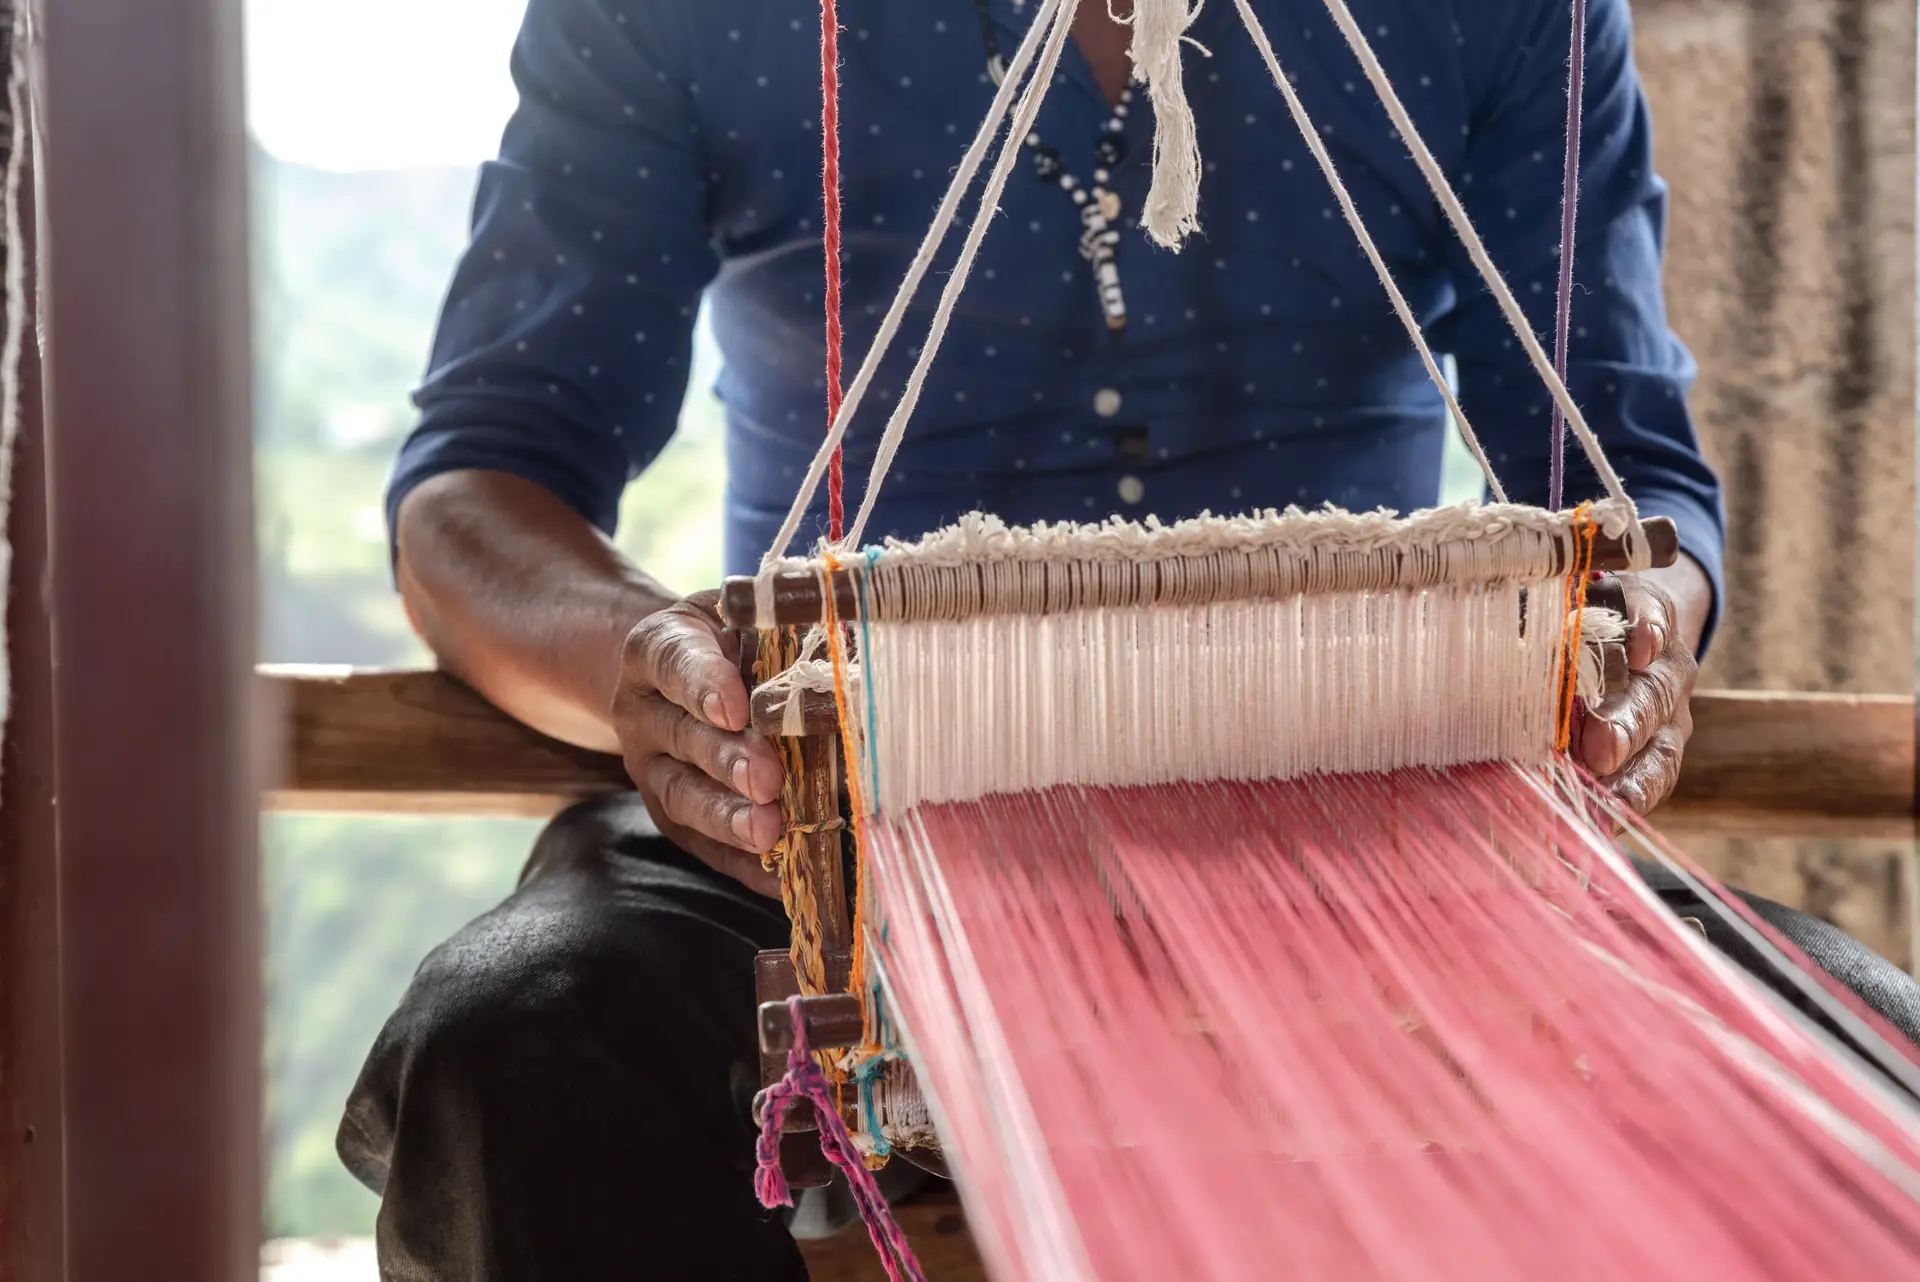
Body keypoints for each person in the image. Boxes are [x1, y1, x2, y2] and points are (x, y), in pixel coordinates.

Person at [336, 1, 1920, 1278]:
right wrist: (648, 659)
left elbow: (1620, 478)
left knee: (1858, 1072)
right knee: (525, 1037)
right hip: (829, 824)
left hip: (1379, 821)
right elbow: (480, 482)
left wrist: (1639, 623)